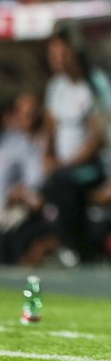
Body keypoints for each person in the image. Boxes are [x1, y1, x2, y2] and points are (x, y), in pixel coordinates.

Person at [41, 31, 108, 265]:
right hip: (63, 167)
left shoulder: (94, 84)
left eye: (62, 53)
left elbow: (99, 136)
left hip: (92, 167)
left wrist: (69, 163)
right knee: (52, 180)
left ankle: (75, 246)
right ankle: (60, 244)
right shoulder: (55, 87)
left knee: (64, 180)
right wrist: (48, 157)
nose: (57, 59)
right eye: (53, 54)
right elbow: (50, 128)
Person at [0, 93, 58, 266]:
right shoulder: (12, 142)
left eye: (31, 114)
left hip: (17, 212)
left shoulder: (23, 144)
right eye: (22, 113)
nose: (25, 119)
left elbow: (35, 183)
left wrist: (21, 194)